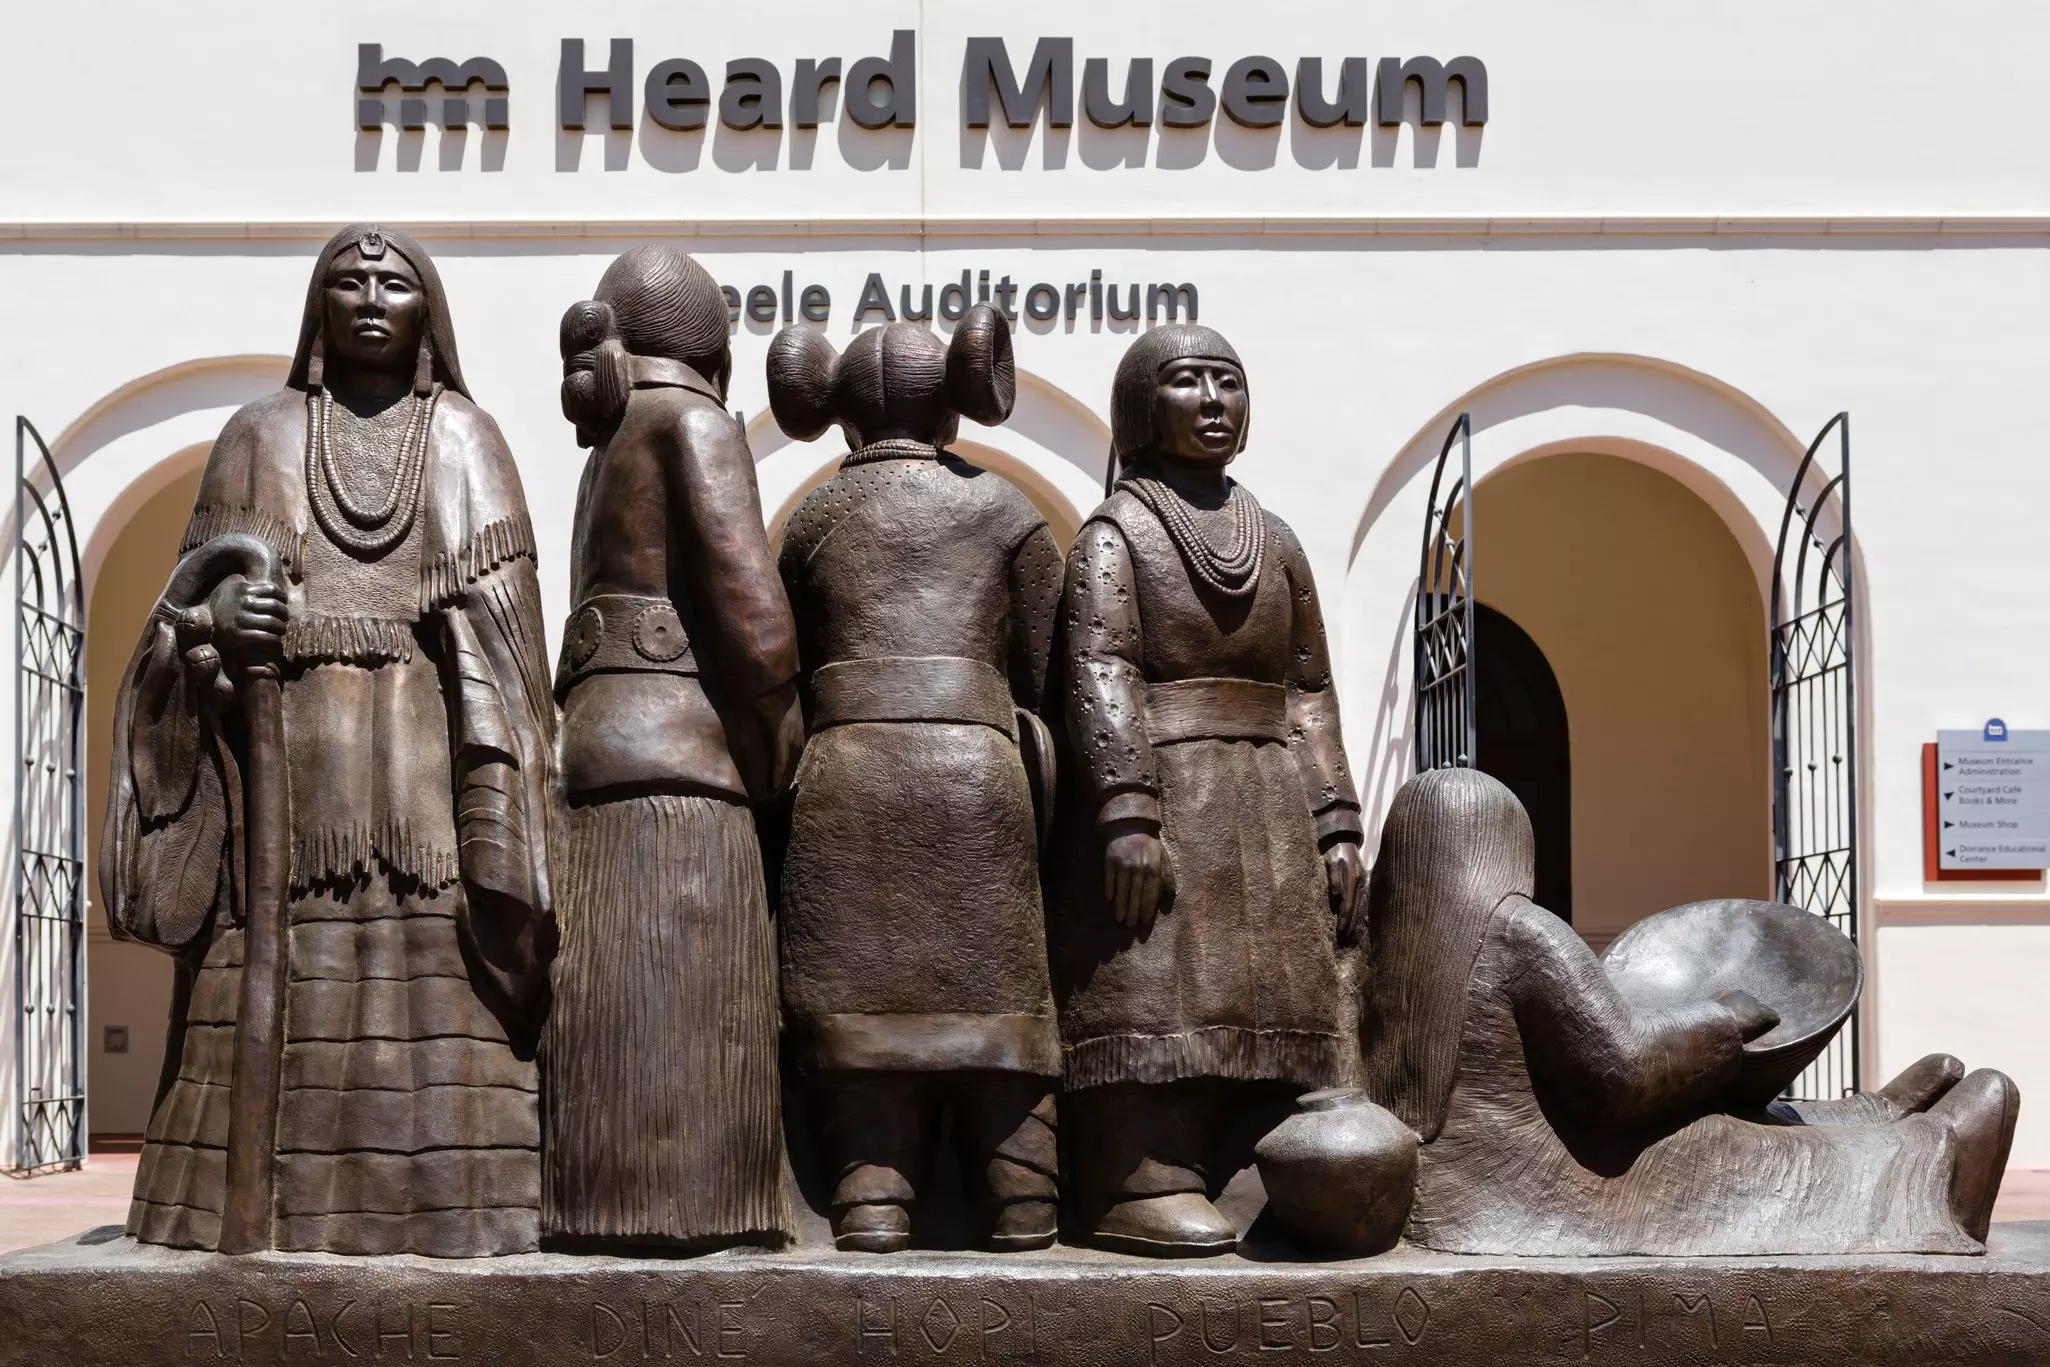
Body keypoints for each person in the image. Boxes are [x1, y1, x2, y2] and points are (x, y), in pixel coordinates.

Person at [101, 224, 557, 1257]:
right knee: (263, 979)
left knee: (432, 976)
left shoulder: (466, 439)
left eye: (393, 282)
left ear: (426, 311)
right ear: (316, 307)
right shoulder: (256, 434)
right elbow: (193, 604)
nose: (368, 297)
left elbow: (510, 629)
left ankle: (459, 1212)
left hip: (420, 762)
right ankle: (237, 1216)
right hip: (283, 768)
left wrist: (451, 640)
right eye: (346, 280)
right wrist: (223, 629)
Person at [1360, 767, 2021, 1256]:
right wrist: (1726, 1016)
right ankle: (1932, 1165)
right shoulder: (1518, 932)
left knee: (1731, 1118)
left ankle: (1861, 1112)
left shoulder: (1376, 953)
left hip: (1459, 1198)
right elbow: (1625, 1071)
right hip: (1546, 1193)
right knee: (1730, 1143)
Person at [1048, 324, 1366, 1257]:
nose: (1213, 400)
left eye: (1227, 381)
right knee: (1160, 985)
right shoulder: (1116, 534)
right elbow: (1099, 667)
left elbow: (1309, 690)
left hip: (1266, 790)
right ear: (1144, 407)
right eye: (1186, 382)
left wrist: (1336, 821)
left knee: (1279, 989)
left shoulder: (1279, 539)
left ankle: (1262, 1163)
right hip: (1171, 790)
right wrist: (1127, 808)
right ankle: (1139, 1177)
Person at [768, 307, 1063, 1253]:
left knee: (858, 1006)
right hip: (974, 774)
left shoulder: (813, 517)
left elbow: (780, 665)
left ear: (842, 418)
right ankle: (1021, 1196)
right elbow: (1052, 662)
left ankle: (871, 1192)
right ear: (954, 412)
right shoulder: (1005, 508)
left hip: (847, 781)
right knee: (1001, 996)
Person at [545, 246, 801, 1251]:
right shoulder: (692, 420)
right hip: (686, 765)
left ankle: (602, 1206)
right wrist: (783, 743)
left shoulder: (610, 439)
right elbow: (755, 620)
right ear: (715, 347)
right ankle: (694, 1212)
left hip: (601, 743)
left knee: (613, 1007)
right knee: (691, 1010)